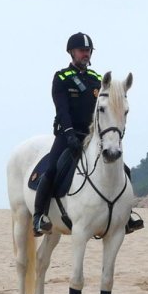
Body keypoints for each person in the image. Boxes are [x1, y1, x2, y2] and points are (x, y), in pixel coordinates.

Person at [32, 32, 101, 237]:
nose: (85, 54)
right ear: (72, 52)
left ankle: (124, 217)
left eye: (88, 51)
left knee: (120, 167)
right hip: (68, 135)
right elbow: (62, 110)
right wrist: (70, 134)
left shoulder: (96, 79)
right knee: (52, 169)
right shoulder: (62, 77)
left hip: (92, 137)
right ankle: (38, 217)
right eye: (82, 51)